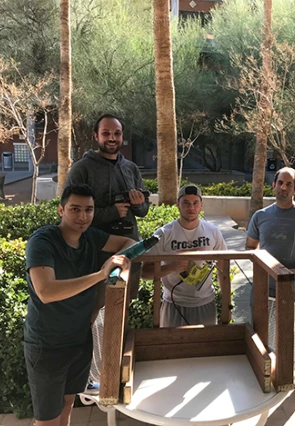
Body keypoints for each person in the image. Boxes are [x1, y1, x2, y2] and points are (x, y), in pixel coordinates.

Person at [23, 184, 134, 426]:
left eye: (88, 210)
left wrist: (118, 263)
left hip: (80, 339)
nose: (83, 217)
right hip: (47, 346)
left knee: (67, 406)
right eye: (75, 209)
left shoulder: (90, 237)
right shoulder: (43, 241)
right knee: (47, 421)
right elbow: (46, 292)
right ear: (61, 210)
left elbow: (127, 242)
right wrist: (100, 274)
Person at [245, 167, 295, 405]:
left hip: (294, 288)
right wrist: (263, 265)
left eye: (289, 184)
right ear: (274, 185)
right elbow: (250, 247)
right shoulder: (261, 216)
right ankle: (264, 377)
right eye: (280, 182)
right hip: (262, 287)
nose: (283, 187)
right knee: (260, 334)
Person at [66, 113, 150, 302]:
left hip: (130, 251)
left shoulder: (131, 168)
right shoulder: (82, 169)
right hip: (96, 255)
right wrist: (111, 212)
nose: (112, 138)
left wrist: (138, 205)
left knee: (126, 307)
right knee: (96, 311)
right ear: (96, 136)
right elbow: (71, 213)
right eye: (106, 133)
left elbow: (144, 211)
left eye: (117, 133)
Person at [142, 184, 227, 327]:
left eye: (195, 203)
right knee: (172, 348)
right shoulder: (163, 234)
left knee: (205, 347)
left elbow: (223, 267)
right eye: (186, 203)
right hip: (173, 303)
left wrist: (226, 303)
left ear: (201, 205)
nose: (191, 208)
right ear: (178, 204)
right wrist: (172, 267)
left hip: (206, 302)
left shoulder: (213, 232)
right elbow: (144, 272)